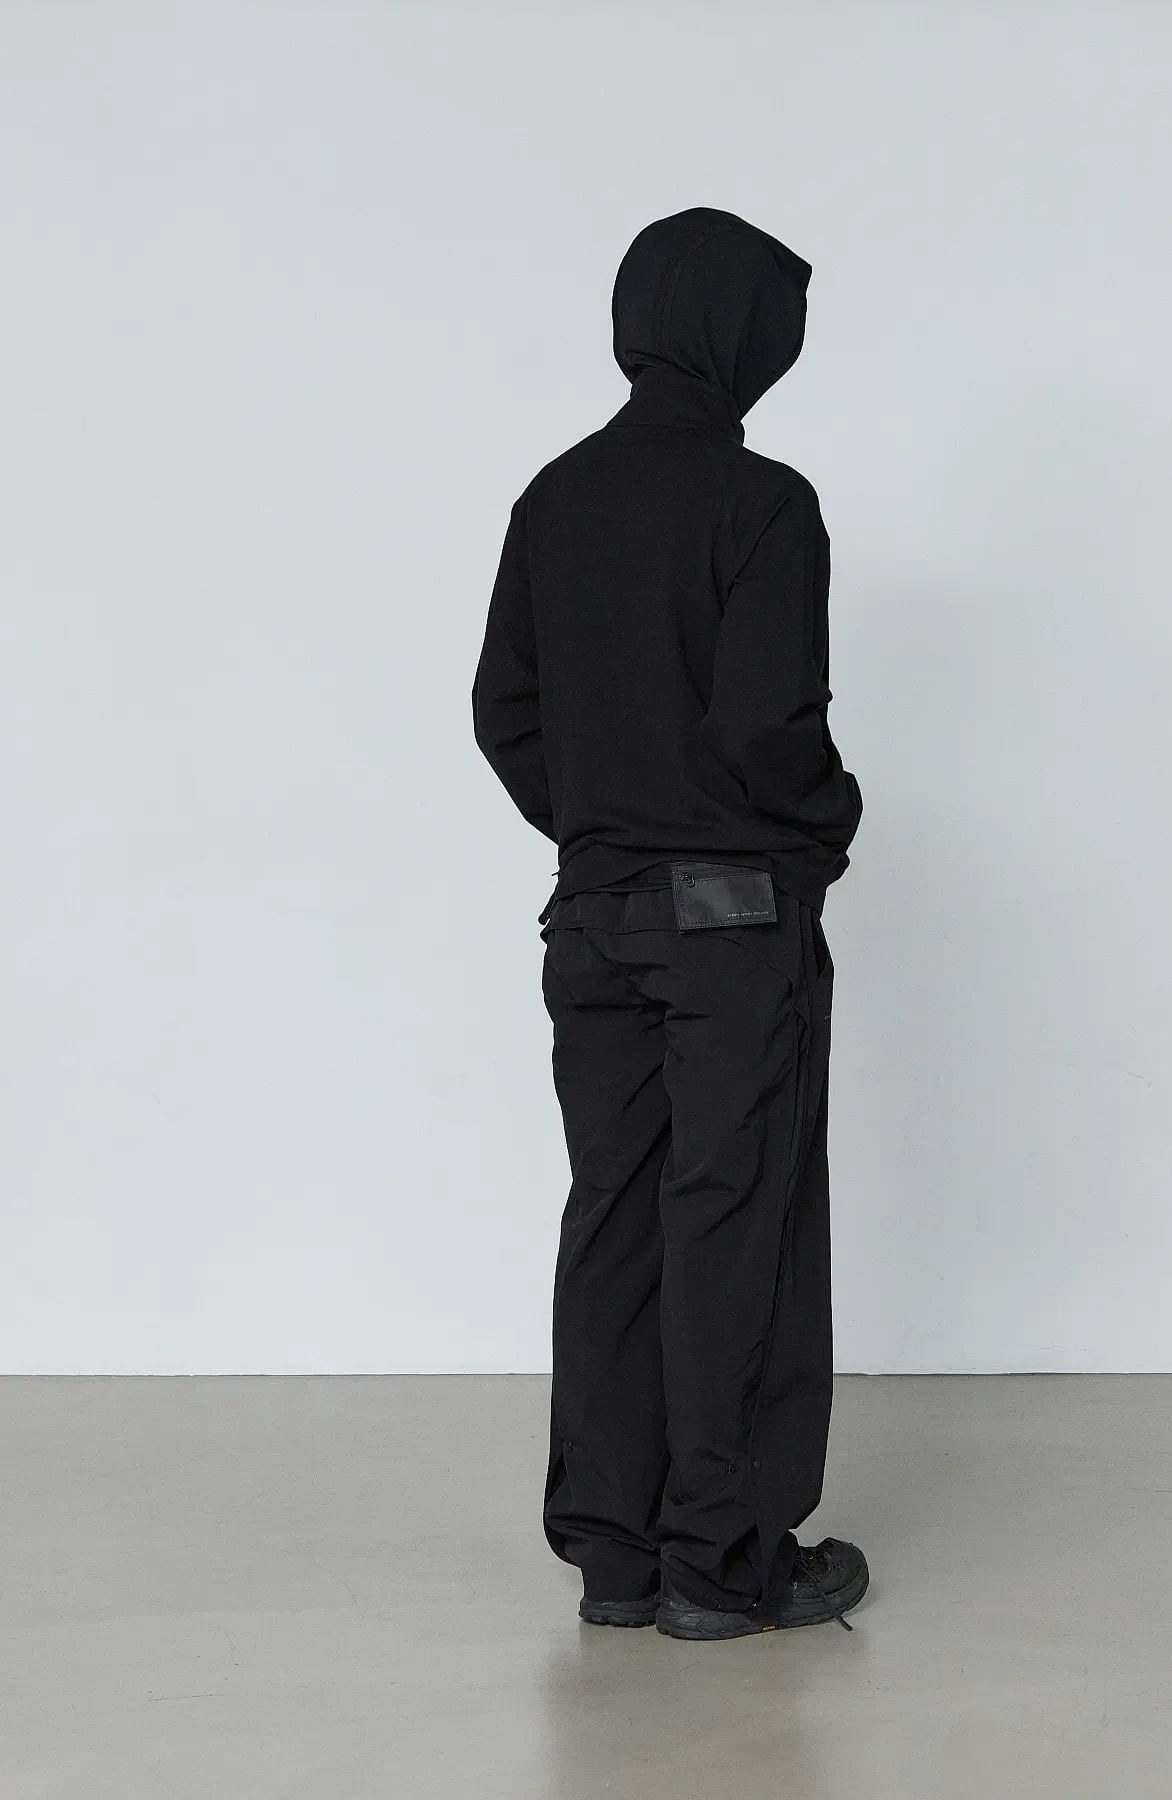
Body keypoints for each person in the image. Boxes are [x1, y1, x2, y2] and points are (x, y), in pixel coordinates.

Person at [472, 207, 867, 1640]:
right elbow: (768, 729)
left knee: (612, 1218)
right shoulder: (763, 505)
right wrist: (825, 823)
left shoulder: (554, 499)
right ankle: (721, 1559)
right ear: (740, 336)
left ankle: (615, 1554)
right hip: (731, 924)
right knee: (729, 1216)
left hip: (590, 921)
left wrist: (600, 828)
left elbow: (504, 712)